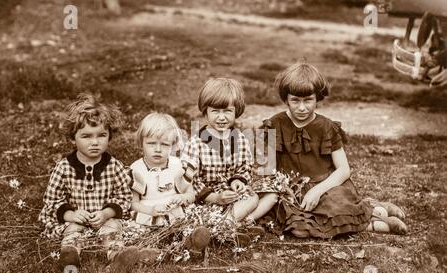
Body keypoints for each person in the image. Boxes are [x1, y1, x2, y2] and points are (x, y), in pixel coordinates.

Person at [262, 62, 407, 238]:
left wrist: (317, 190)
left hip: (325, 185)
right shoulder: (273, 124)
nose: (301, 107)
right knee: (298, 229)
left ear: (317, 98)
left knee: (335, 208)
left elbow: (343, 170)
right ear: (286, 99)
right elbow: (267, 170)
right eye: (295, 100)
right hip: (289, 189)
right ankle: (373, 210)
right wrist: (283, 189)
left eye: (308, 100)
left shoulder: (327, 127)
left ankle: (377, 220)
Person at [38, 94, 139, 269]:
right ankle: (70, 255)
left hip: (104, 220)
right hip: (75, 220)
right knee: (73, 230)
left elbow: (124, 197)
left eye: (101, 135)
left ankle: (117, 256)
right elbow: (52, 201)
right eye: (86, 136)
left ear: (109, 136)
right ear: (72, 138)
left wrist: (106, 213)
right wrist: (71, 215)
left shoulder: (114, 166)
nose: (95, 142)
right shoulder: (64, 168)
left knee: (112, 228)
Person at [181, 78, 278, 245]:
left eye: (227, 111)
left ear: (236, 111)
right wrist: (215, 197)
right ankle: (226, 227)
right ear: (205, 111)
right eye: (215, 111)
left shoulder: (240, 139)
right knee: (252, 200)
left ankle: (234, 225)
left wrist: (238, 182)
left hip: (233, 197)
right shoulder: (196, 143)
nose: (221, 117)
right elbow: (189, 181)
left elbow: (244, 167)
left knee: (270, 196)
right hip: (207, 199)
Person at [130, 112, 210, 257]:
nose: (158, 149)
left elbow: (191, 194)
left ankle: (192, 244)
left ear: (173, 145)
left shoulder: (178, 166)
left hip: (175, 213)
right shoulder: (136, 169)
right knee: (141, 233)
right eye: (151, 143)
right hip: (149, 214)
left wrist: (183, 197)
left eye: (165, 144)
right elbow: (132, 204)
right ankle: (150, 253)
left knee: (186, 227)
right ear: (141, 142)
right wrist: (150, 211)